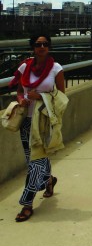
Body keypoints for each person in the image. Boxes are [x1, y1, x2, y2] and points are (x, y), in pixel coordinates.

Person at [9, 33, 66, 222]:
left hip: (43, 122)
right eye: (38, 44)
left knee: (35, 164)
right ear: (32, 47)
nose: (42, 47)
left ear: (49, 47)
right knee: (33, 161)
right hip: (26, 121)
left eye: (45, 44)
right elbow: (18, 90)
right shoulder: (25, 66)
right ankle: (49, 180)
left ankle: (26, 203)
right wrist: (21, 100)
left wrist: (39, 97)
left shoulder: (56, 69)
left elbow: (60, 97)